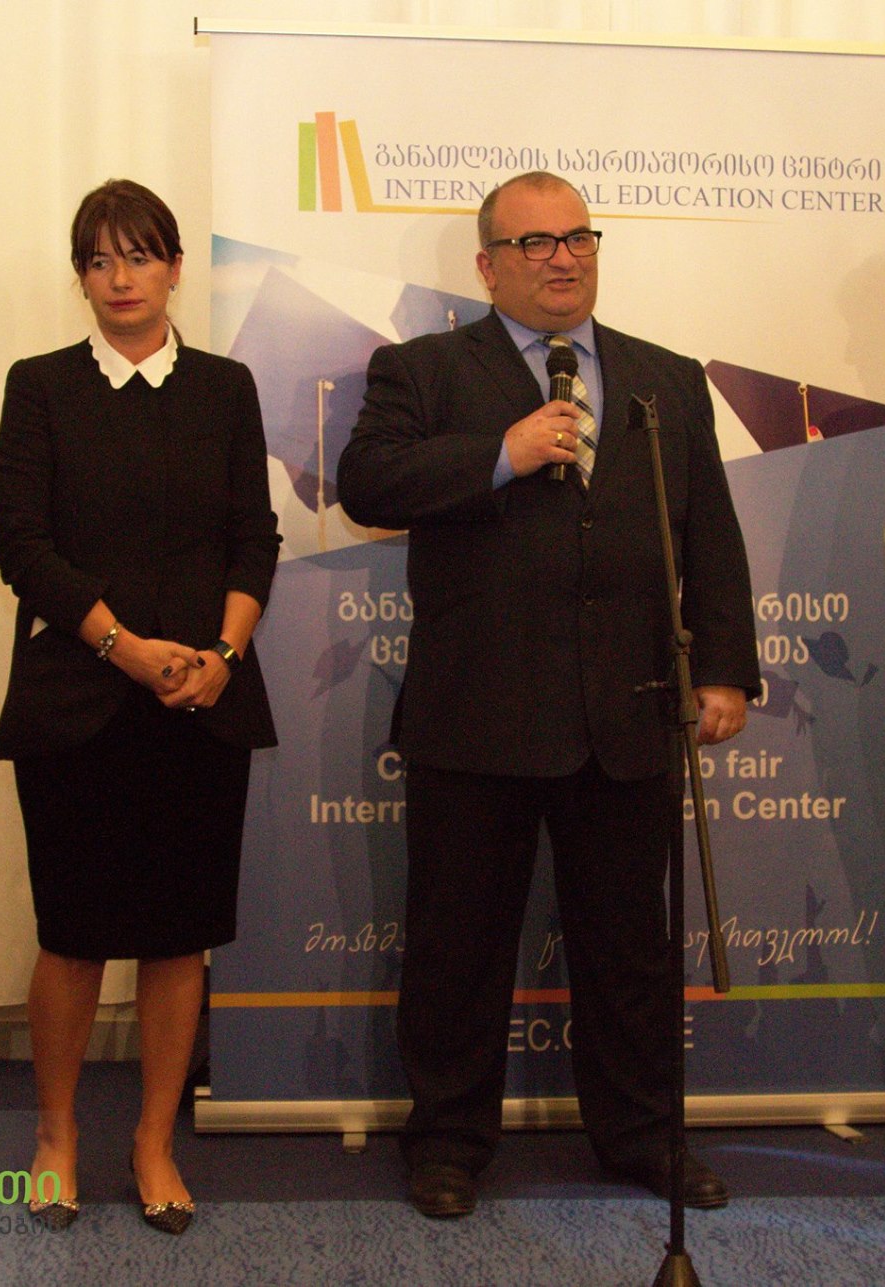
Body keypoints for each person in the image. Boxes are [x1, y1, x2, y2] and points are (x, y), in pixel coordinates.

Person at [336, 171, 759, 1219]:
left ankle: (643, 1136)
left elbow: (707, 531)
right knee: (457, 946)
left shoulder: (664, 378)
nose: (562, 257)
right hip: (474, 713)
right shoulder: (421, 370)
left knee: (629, 949)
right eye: (534, 243)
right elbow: (367, 484)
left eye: (577, 237)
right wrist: (501, 453)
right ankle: (446, 1144)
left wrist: (720, 665)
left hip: (627, 709)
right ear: (487, 267)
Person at [0, 179, 279, 1237]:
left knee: (176, 939)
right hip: (77, 701)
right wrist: (122, 645)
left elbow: (254, 536)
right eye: (100, 261)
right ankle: (56, 1133)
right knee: (73, 936)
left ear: (173, 269)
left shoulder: (225, 387)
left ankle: (154, 1141)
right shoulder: (41, 386)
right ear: (81, 276)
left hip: (200, 701)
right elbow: (21, 543)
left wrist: (223, 654)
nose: (120, 279)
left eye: (140, 257)